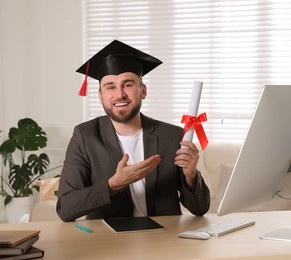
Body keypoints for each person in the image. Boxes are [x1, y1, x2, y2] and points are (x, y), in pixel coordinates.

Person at [56, 39, 210, 222]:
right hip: (110, 242)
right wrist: (113, 185)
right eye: (110, 86)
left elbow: (200, 209)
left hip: (163, 240)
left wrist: (190, 175)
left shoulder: (172, 136)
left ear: (143, 91)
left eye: (128, 84)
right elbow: (65, 209)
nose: (120, 94)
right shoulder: (85, 137)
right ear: (100, 96)